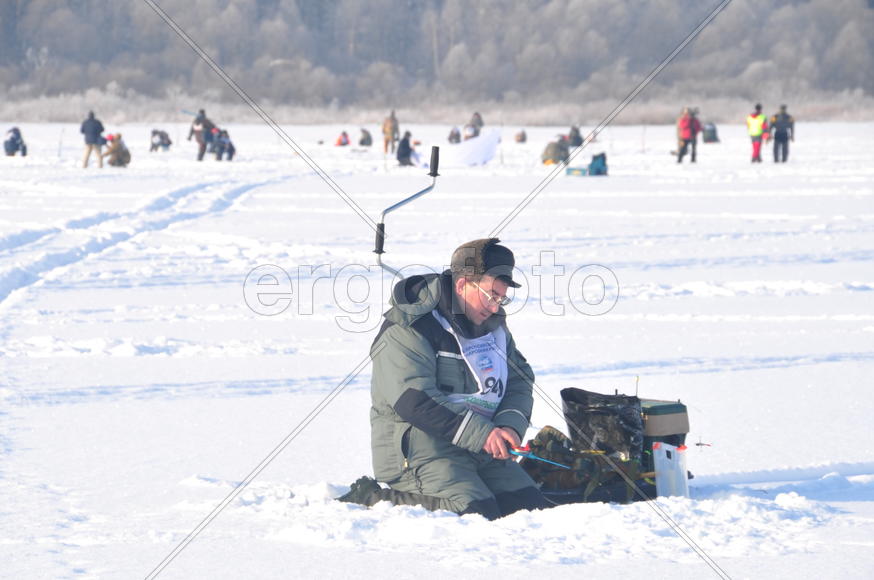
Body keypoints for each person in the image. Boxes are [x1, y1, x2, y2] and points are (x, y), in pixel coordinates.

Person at [339, 238, 550, 521]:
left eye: (501, 298)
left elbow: (519, 380)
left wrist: (508, 426)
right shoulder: (410, 326)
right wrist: (484, 434)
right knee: (474, 514)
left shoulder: (493, 326)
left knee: (533, 510)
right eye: (490, 295)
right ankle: (373, 498)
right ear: (463, 284)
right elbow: (413, 400)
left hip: (479, 448)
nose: (495, 306)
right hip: (420, 450)